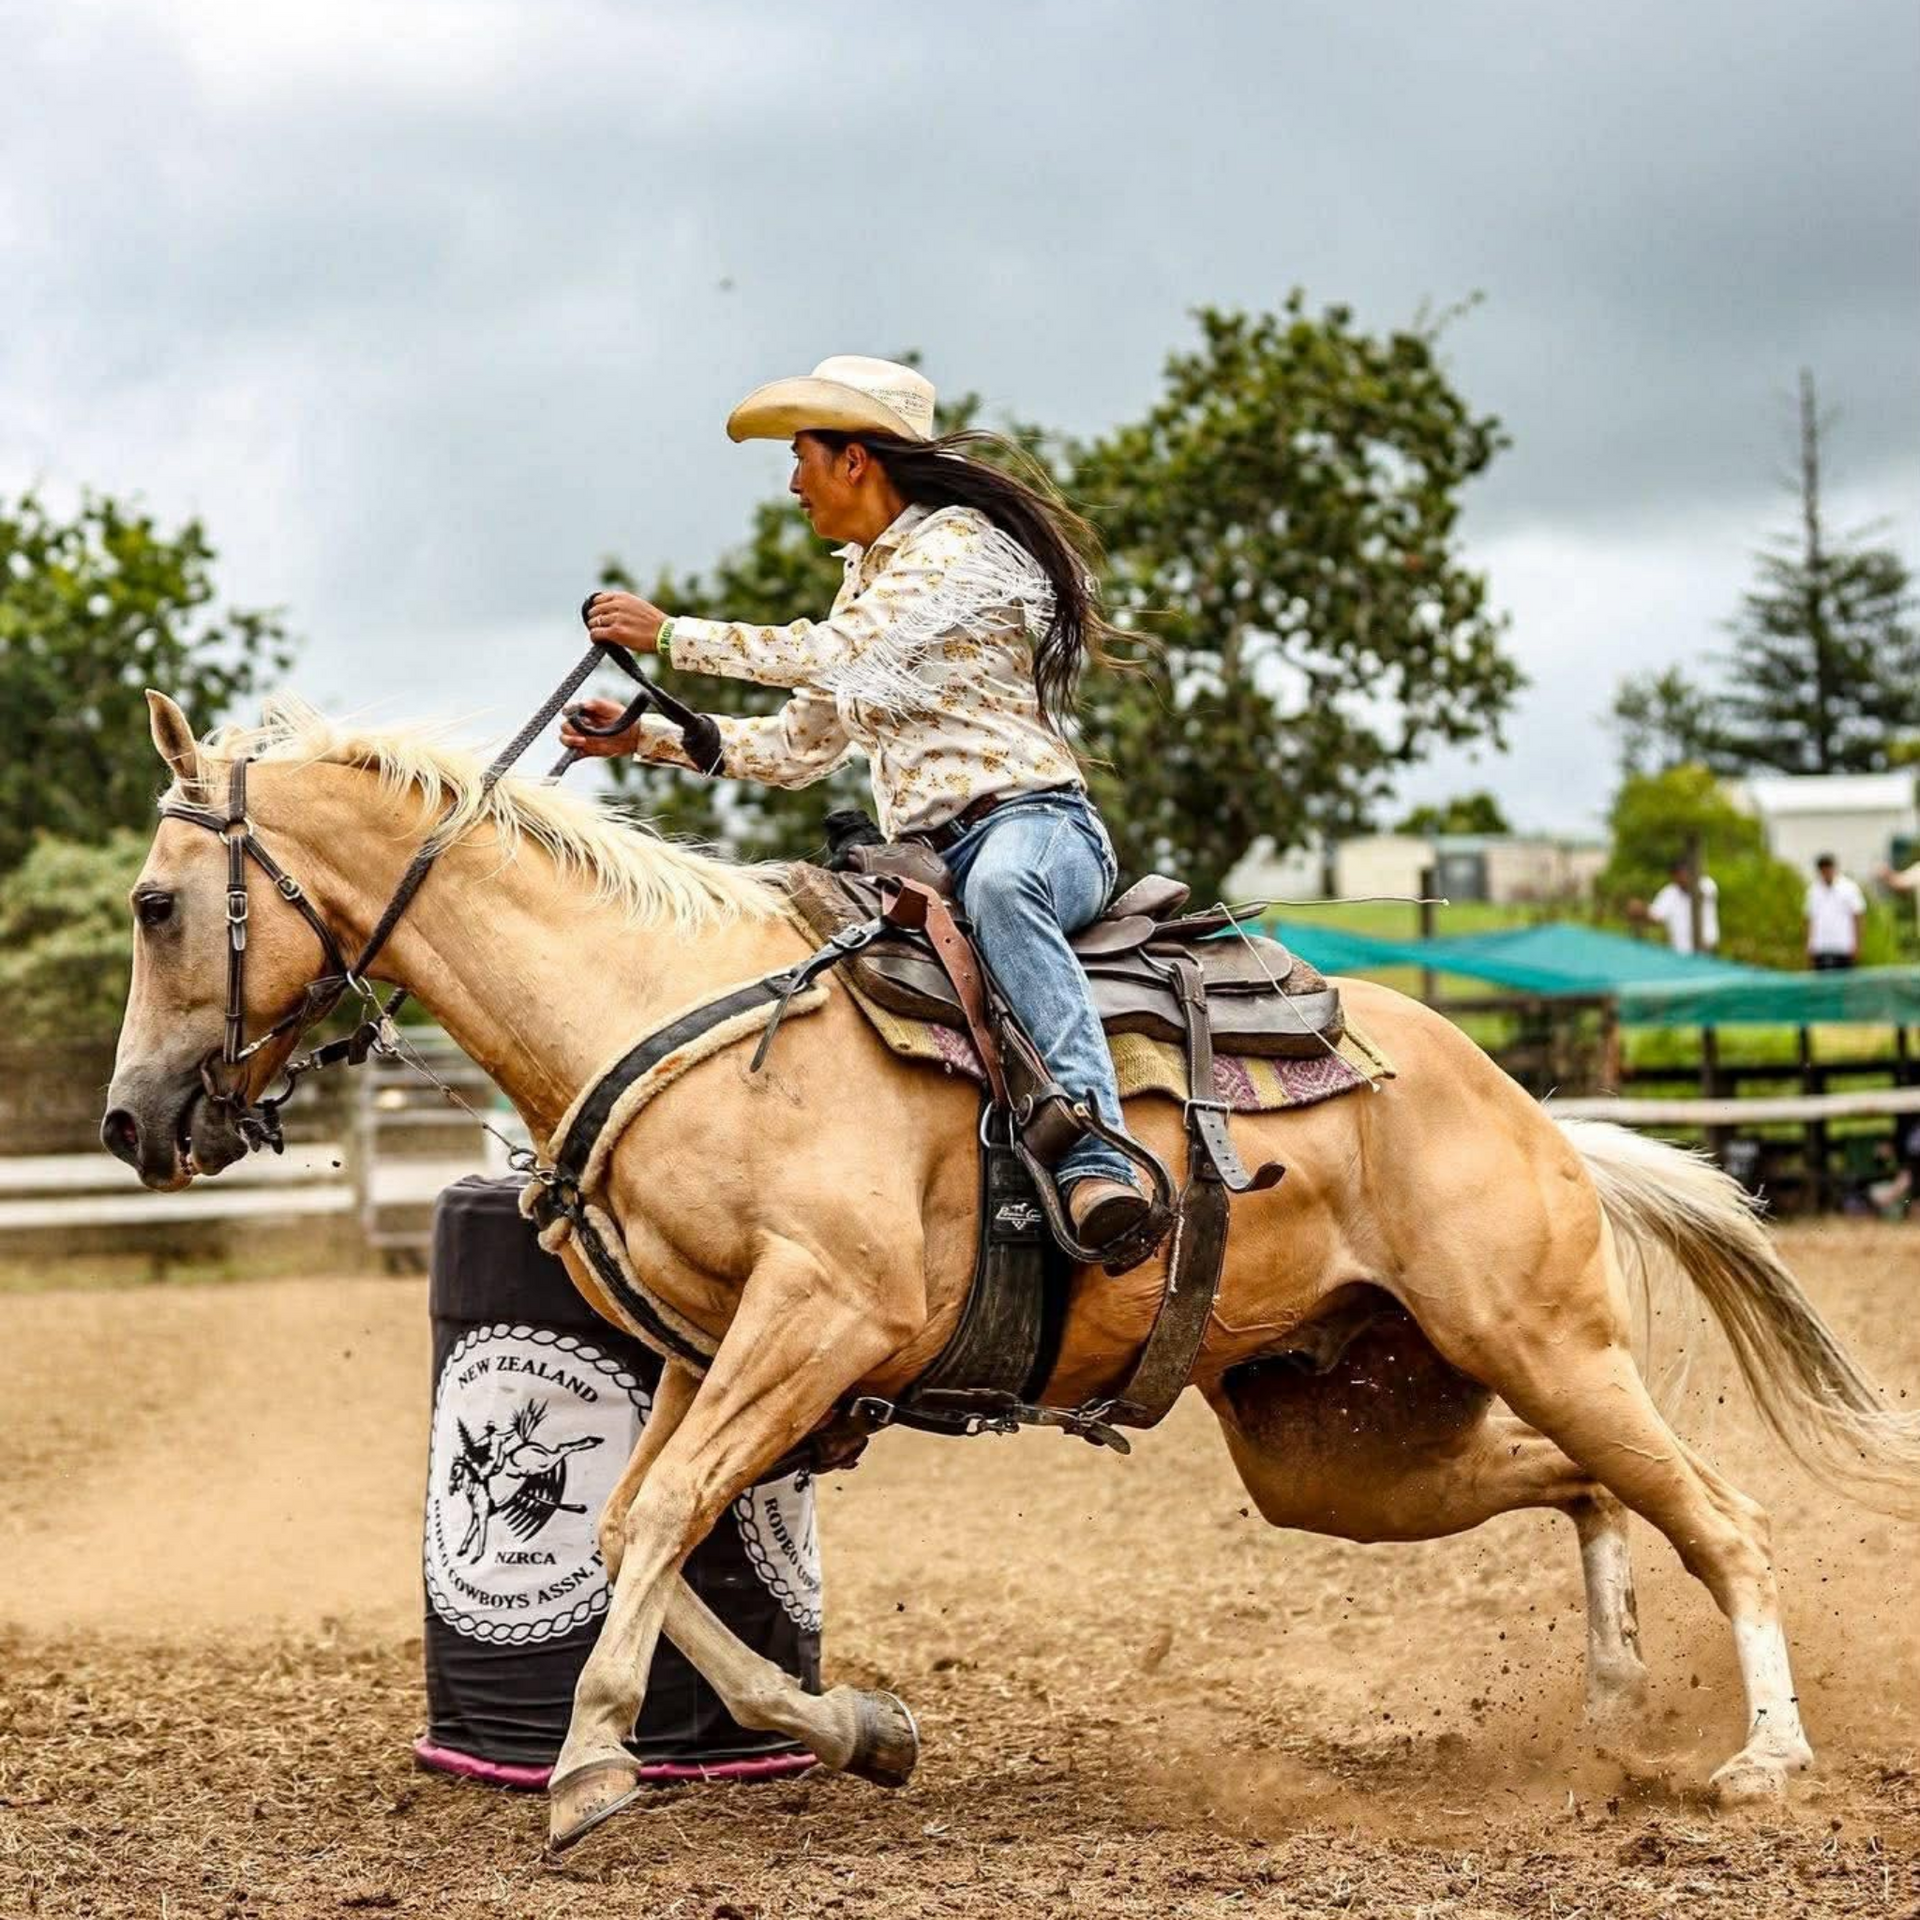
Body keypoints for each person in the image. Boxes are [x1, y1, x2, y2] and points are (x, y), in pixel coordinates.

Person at [560, 355, 1151, 1254]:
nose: (791, 483)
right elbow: (799, 748)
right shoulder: (864, 580)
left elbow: (836, 654)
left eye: (800, 457)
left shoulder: (953, 549)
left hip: (1035, 828)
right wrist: (643, 737)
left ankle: (1099, 1157)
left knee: (1003, 893)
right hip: (923, 856)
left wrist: (673, 636)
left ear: (854, 461)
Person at [1642, 859, 1720, 955]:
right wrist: (1642, 910)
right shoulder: (1669, 893)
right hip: (1680, 955)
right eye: (1678, 874)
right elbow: (1654, 916)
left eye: (1684, 873)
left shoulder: (1706, 884)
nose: (1682, 878)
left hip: (1707, 952)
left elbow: (1706, 893)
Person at [1804, 854, 1866, 970]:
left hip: (1844, 947)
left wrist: (1858, 944)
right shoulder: (1813, 890)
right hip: (1821, 947)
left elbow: (1858, 916)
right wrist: (1809, 946)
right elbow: (1810, 919)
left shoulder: (1849, 887)